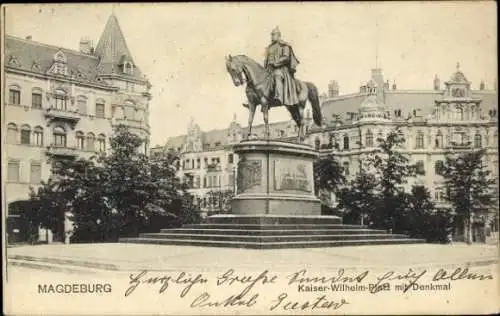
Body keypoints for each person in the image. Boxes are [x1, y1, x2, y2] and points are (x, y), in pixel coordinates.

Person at [264, 27, 300, 106]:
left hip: (281, 69)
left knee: (277, 75)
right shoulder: (269, 47)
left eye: (274, 35)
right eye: (272, 35)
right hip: (269, 69)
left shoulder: (284, 45)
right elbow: (266, 60)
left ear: (279, 35)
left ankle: (279, 97)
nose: (272, 36)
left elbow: (286, 58)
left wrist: (275, 62)